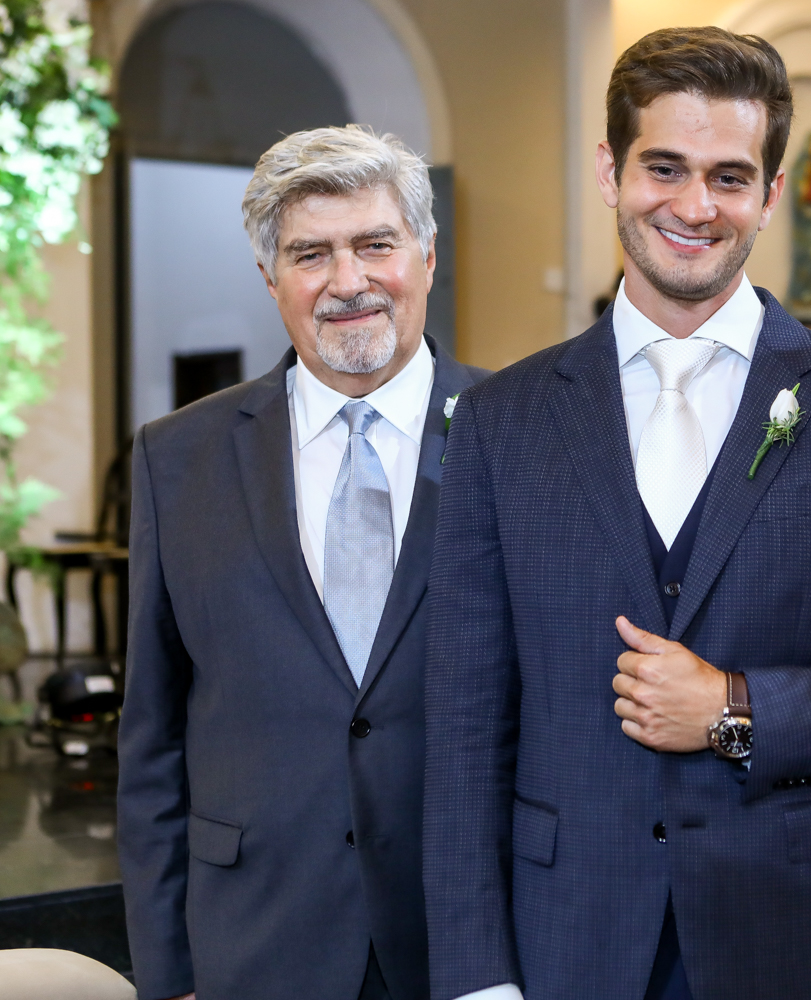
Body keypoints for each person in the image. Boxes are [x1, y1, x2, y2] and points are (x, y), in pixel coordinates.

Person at [422, 27, 811, 1000]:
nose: (696, 207)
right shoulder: (499, 422)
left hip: (789, 940)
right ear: (609, 172)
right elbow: (463, 726)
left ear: (772, 195)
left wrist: (738, 710)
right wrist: (478, 979)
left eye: (730, 178)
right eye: (665, 168)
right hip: (567, 942)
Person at [118, 125, 488, 1000]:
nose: (348, 281)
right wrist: (168, 973)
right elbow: (152, 739)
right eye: (310, 254)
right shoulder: (178, 458)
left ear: (428, 255)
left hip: (468, 941)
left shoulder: (519, 434)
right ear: (269, 277)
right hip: (253, 943)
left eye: (376, 244)